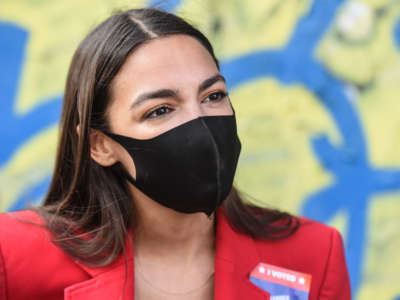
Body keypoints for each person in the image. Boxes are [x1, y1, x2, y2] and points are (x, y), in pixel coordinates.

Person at [0, 7, 351, 300]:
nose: (200, 125)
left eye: (213, 96)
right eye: (160, 110)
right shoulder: (14, 256)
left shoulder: (314, 254)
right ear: (100, 145)